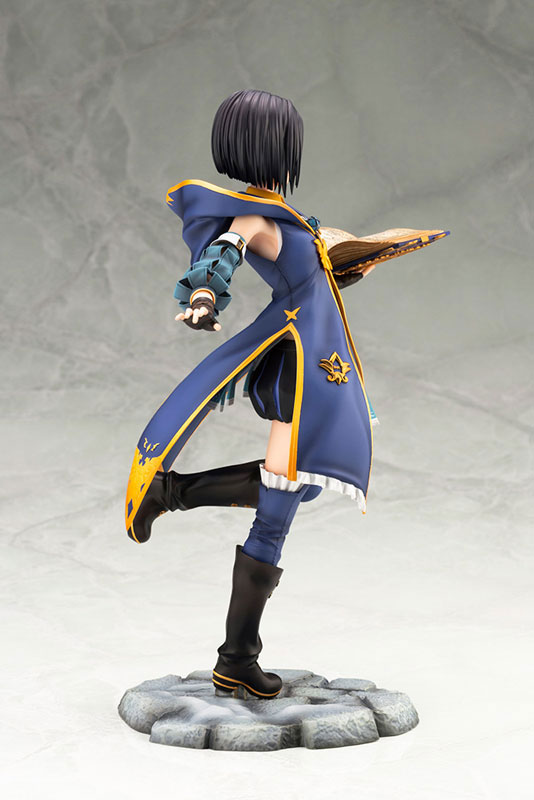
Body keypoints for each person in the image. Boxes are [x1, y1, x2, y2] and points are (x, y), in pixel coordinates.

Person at [124, 89, 375, 699]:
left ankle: (175, 493)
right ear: (276, 149)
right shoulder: (254, 217)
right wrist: (203, 296)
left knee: (301, 485)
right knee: (282, 501)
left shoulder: (283, 215)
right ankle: (236, 656)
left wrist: (349, 262)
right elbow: (222, 254)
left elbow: (306, 275)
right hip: (299, 365)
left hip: (324, 360)